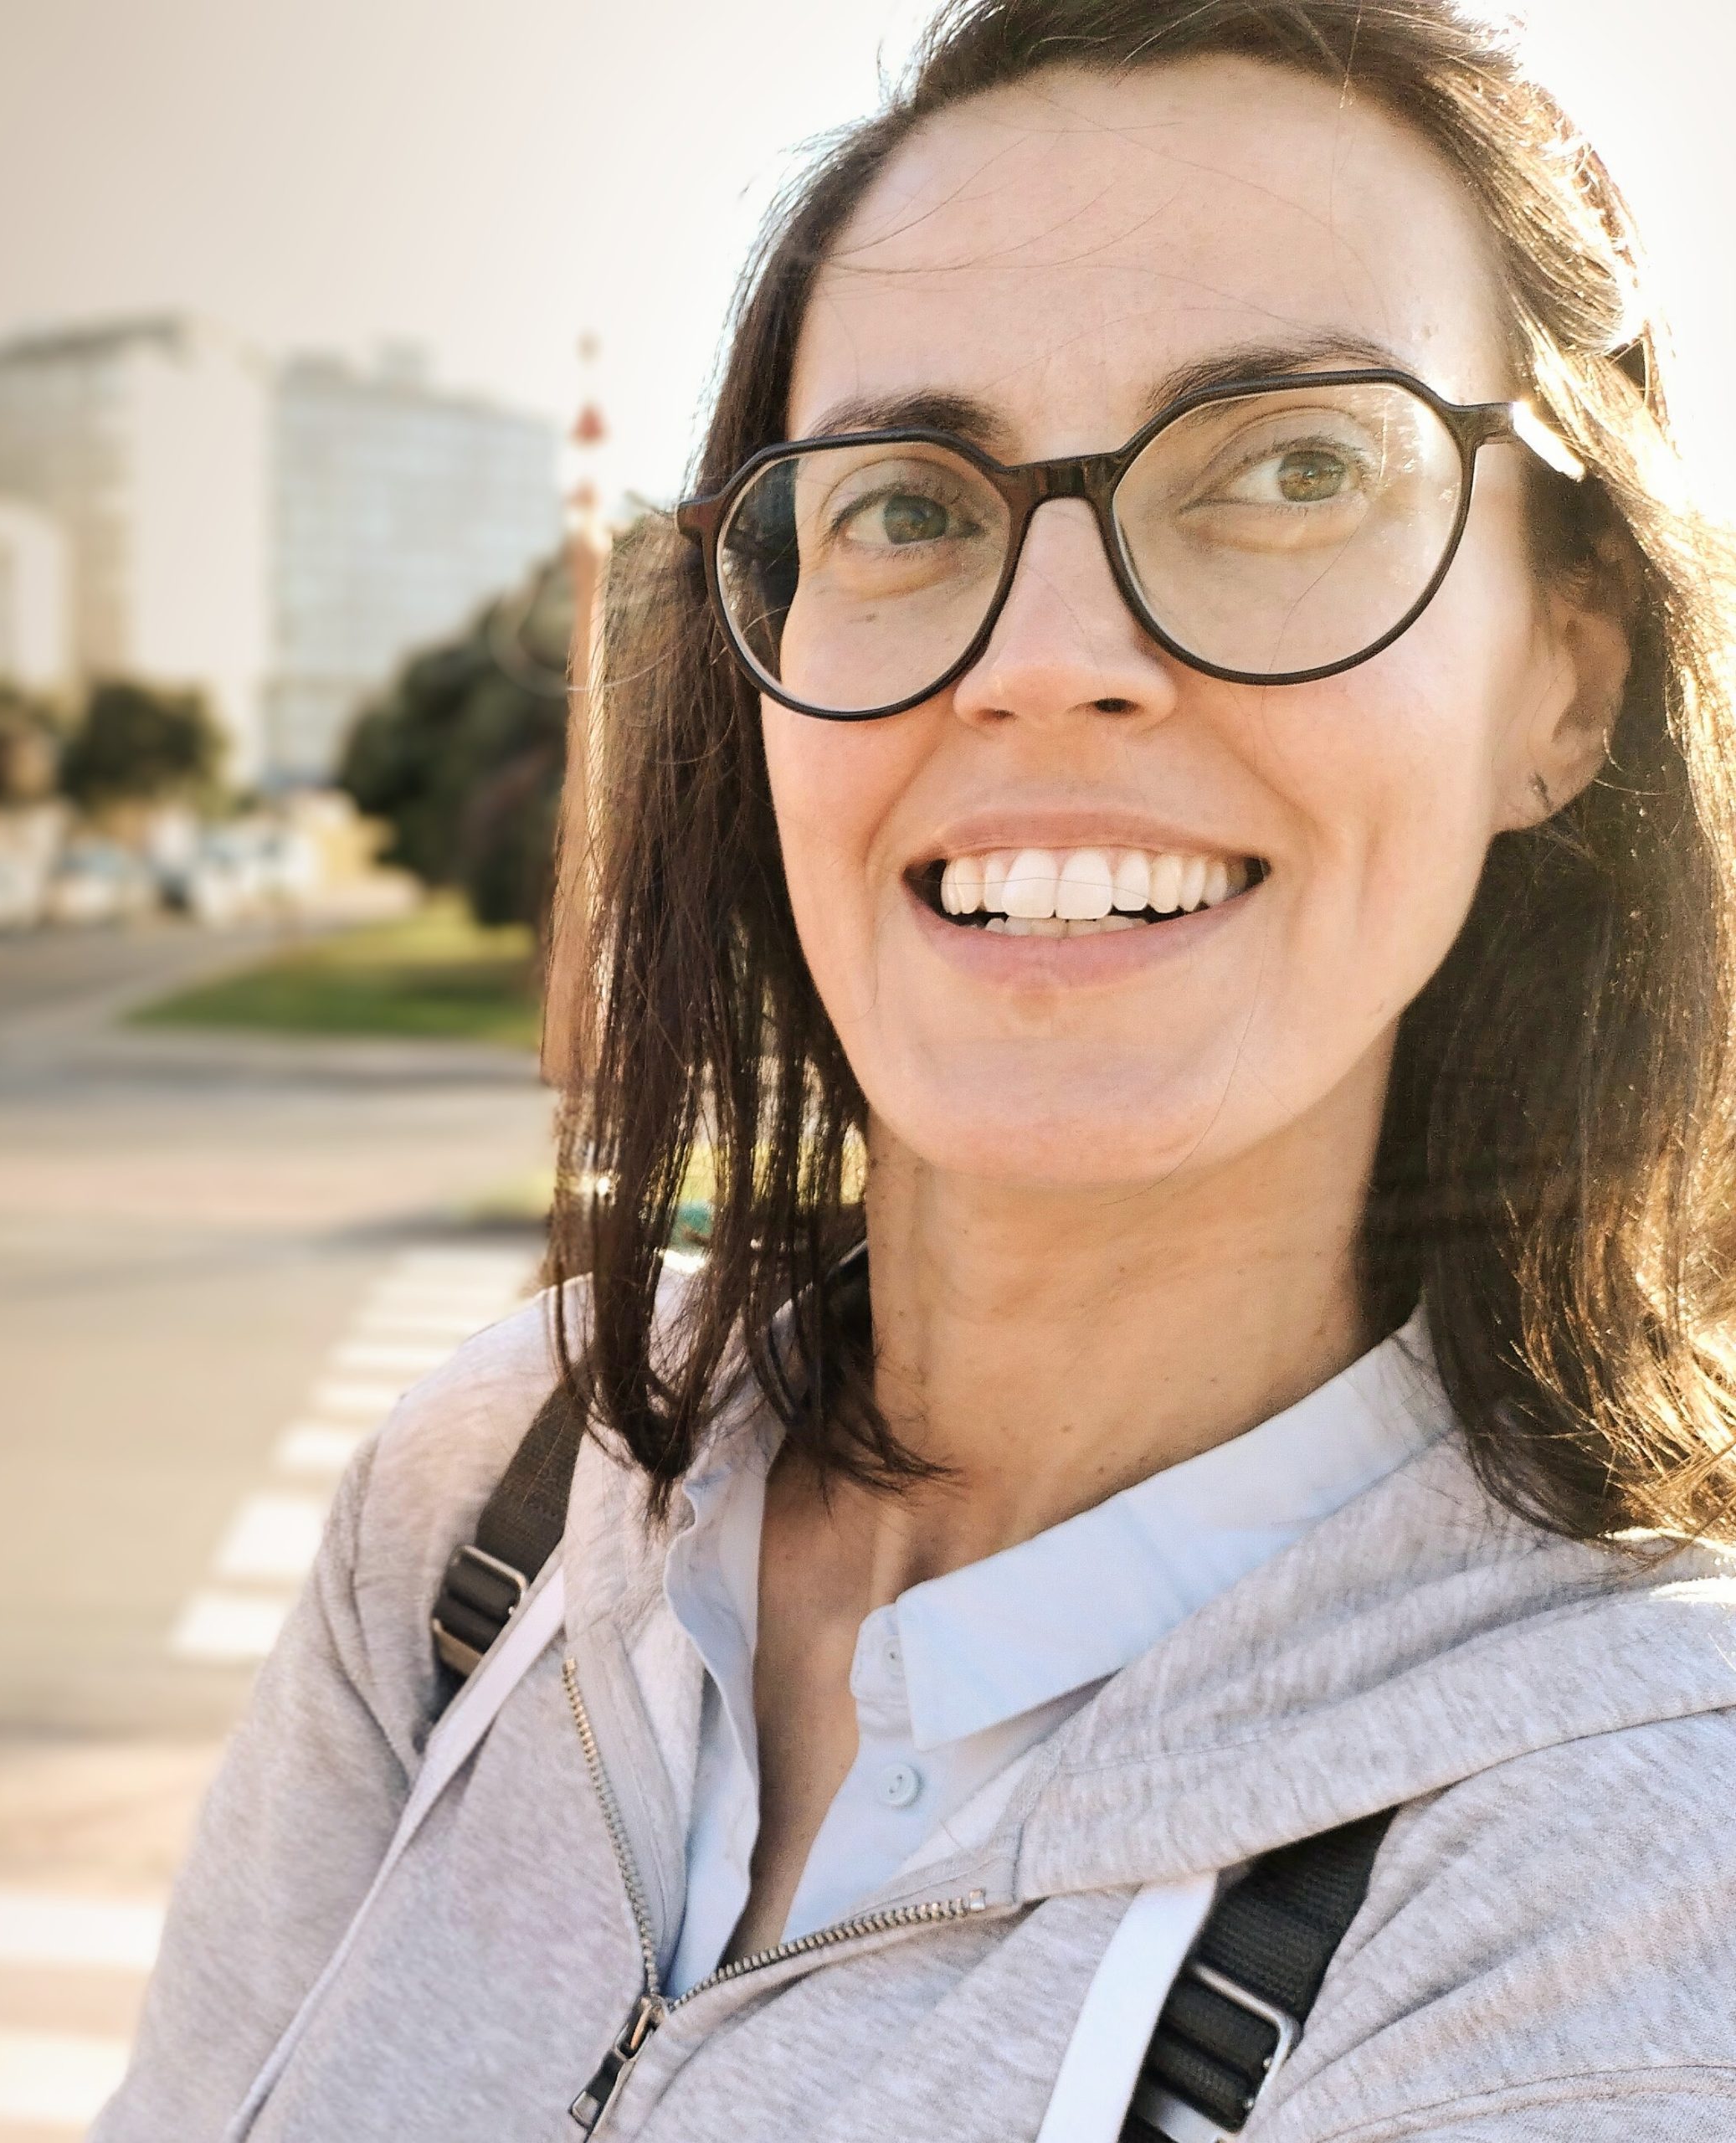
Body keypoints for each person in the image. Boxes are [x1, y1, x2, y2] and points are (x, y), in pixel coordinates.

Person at [91, 3, 1736, 2137]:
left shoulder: (1631, 1854)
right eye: (903, 505)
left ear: (1565, 675)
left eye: (1294, 466)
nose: (1046, 657)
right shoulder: (485, 1505)